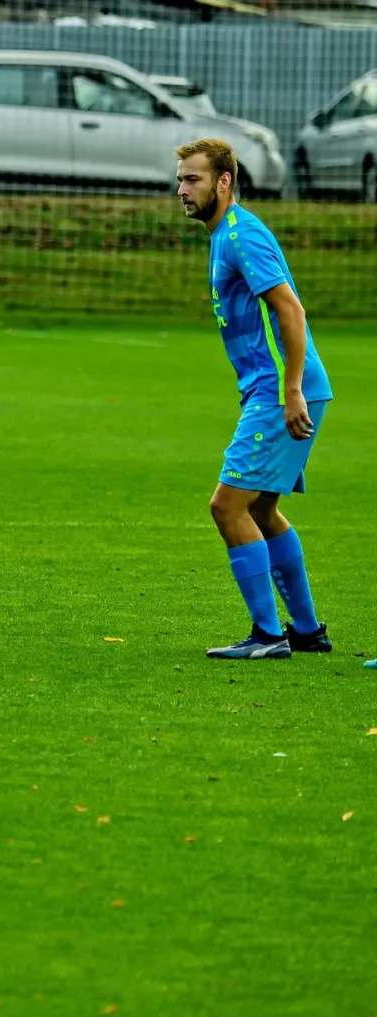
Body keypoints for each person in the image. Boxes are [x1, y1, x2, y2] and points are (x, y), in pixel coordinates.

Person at [176, 138, 333, 660]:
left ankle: (268, 636)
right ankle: (306, 631)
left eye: (193, 179)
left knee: (227, 506)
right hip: (274, 390)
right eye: (180, 180)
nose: (182, 190)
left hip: (282, 390)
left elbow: (291, 310)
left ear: (224, 181)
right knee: (262, 508)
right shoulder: (223, 235)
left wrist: (290, 391)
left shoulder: (242, 235)